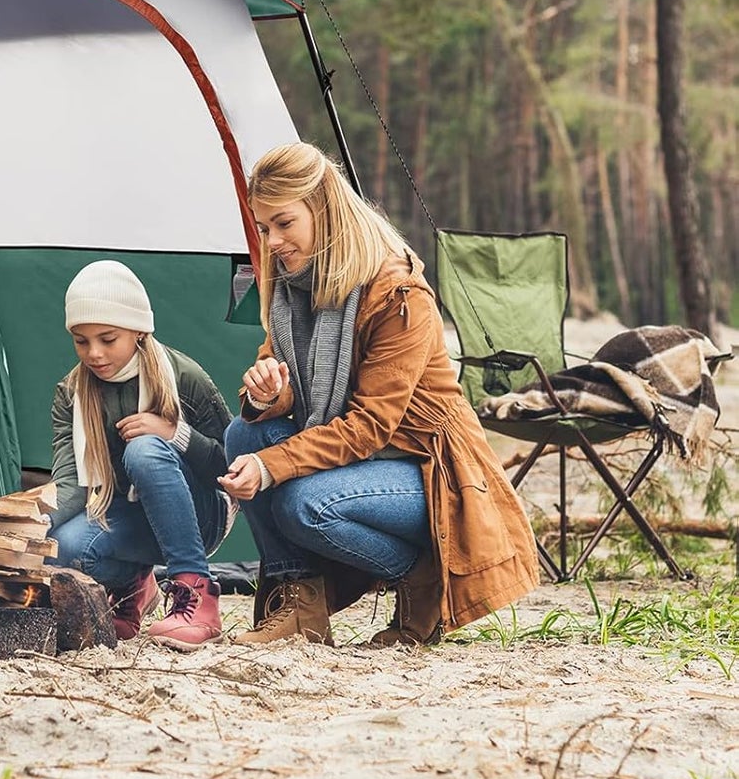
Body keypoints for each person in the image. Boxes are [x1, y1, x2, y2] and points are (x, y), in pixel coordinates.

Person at [219, 142, 539, 647]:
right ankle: (301, 605)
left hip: (429, 469)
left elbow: (370, 425)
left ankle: (423, 575)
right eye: (263, 229)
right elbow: (280, 373)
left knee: (303, 503)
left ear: (321, 208)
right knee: (244, 434)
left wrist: (272, 465)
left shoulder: (395, 292)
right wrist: (268, 394)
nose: (272, 241)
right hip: (354, 454)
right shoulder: (293, 281)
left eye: (283, 224)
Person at [49, 261, 233, 650]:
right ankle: (133, 587)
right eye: (81, 341)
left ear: (138, 330)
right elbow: (69, 484)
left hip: (200, 515)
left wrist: (175, 434)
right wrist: (18, 521)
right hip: (127, 516)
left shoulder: (184, 377)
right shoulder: (71, 393)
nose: (94, 353)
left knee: (145, 450)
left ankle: (196, 590)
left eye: (107, 338)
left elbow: (230, 467)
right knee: (67, 548)